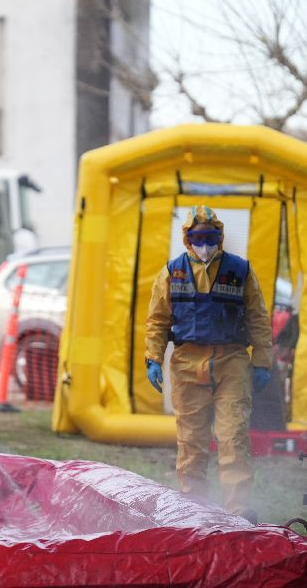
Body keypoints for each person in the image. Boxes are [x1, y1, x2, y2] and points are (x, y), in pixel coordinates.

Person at [145, 206, 272, 523]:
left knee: (233, 437)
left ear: (220, 237)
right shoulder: (171, 273)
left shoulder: (240, 271)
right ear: (187, 239)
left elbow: (258, 318)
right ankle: (193, 509)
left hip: (231, 361)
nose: (205, 244)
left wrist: (261, 361)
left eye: (210, 237)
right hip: (187, 361)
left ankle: (239, 509)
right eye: (198, 237)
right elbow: (157, 321)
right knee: (191, 440)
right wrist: (153, 358)